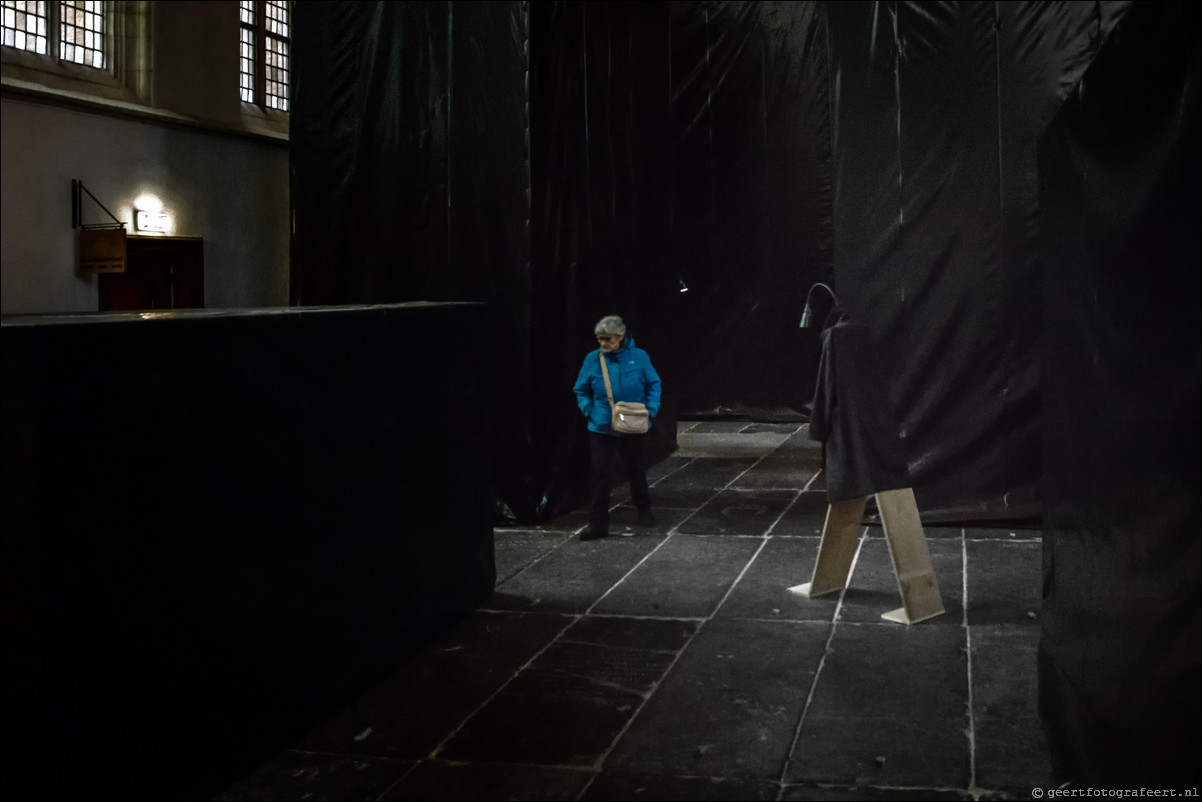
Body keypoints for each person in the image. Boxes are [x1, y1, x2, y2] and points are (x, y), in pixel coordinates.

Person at [573, 315, 662, 541]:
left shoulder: (639, 357)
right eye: (600, 339)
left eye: (608, 339)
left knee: (635, 468)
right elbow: (581, 390)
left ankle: (644, 509)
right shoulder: (592, 359)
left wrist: (650, 411)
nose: (603, 343)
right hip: (601, 426)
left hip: (632, 424)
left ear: (621, 337)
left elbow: (654, 384)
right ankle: (598, 524)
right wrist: (590, 411)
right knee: (600, 474)